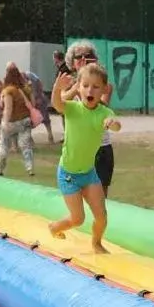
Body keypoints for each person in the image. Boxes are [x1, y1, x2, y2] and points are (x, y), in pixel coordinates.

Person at [48, 61, 121, 253]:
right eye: (86, 85)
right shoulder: (72, 109)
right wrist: (58, 88)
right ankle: (55, 227)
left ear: (104, 90)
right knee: (77, 219)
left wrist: (111, 123)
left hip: (89, 174)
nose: (90, 90)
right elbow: (56, 104)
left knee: (102, 216)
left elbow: (116, 126)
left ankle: (97, 243)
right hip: (68, 175)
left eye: (96, 87)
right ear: (78, 88)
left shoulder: (104, 112)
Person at [62, 41, 116, 189]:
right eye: (79, 57)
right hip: (75, 151)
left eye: (88, 56)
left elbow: (101, 106)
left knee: (99, 196)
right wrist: (78, 84)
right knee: (75, 196)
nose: (84, 59)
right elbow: (60, 104)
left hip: (100, 148)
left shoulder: (104, 85)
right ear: (72, 62)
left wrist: (89, 85)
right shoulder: (67, 84)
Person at [0, 63, 36, 177]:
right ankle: (30, 168)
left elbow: (8, 109)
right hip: (25, 121)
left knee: (4, 146)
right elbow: (33, 104)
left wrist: (5, 123)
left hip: (11, 122)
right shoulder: (26, 89)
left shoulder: (8, 90)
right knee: (26, 146)